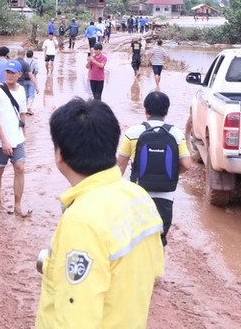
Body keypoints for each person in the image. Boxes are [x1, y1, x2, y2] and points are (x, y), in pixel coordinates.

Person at [36, 99, 163, 328]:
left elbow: (75, 317)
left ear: (60, 154)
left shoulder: (82, 220)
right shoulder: (140, 198)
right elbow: (151, 270)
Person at [116, 91, 193, 244]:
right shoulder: (176, 133)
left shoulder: (133, 132)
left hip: (137, 194)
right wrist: (169, 173)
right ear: (167, 111)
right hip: (165, 197)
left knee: (136, 239)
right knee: (159, 240)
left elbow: (121, 164)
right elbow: (187, 165)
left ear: (145, 111)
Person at [0, 59, 30, 216]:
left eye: (13, 73)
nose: (9, 75)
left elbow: (22, 114)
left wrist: (23, 135)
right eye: (7, 72)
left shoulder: (21, 91)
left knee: (20, 168)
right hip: (0, 140)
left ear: (20, 74)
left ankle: (17, 205)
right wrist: (4, 140)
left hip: (17, 139)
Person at [18, 49, 39, 114]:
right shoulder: (34, 62)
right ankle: (29, 107)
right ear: (32, 55)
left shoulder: (24, 61)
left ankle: (25, 107)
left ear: (26, 55)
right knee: (31, 94)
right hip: (31, 79)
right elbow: (36, 70)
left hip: (23, 79)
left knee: (25, 94)